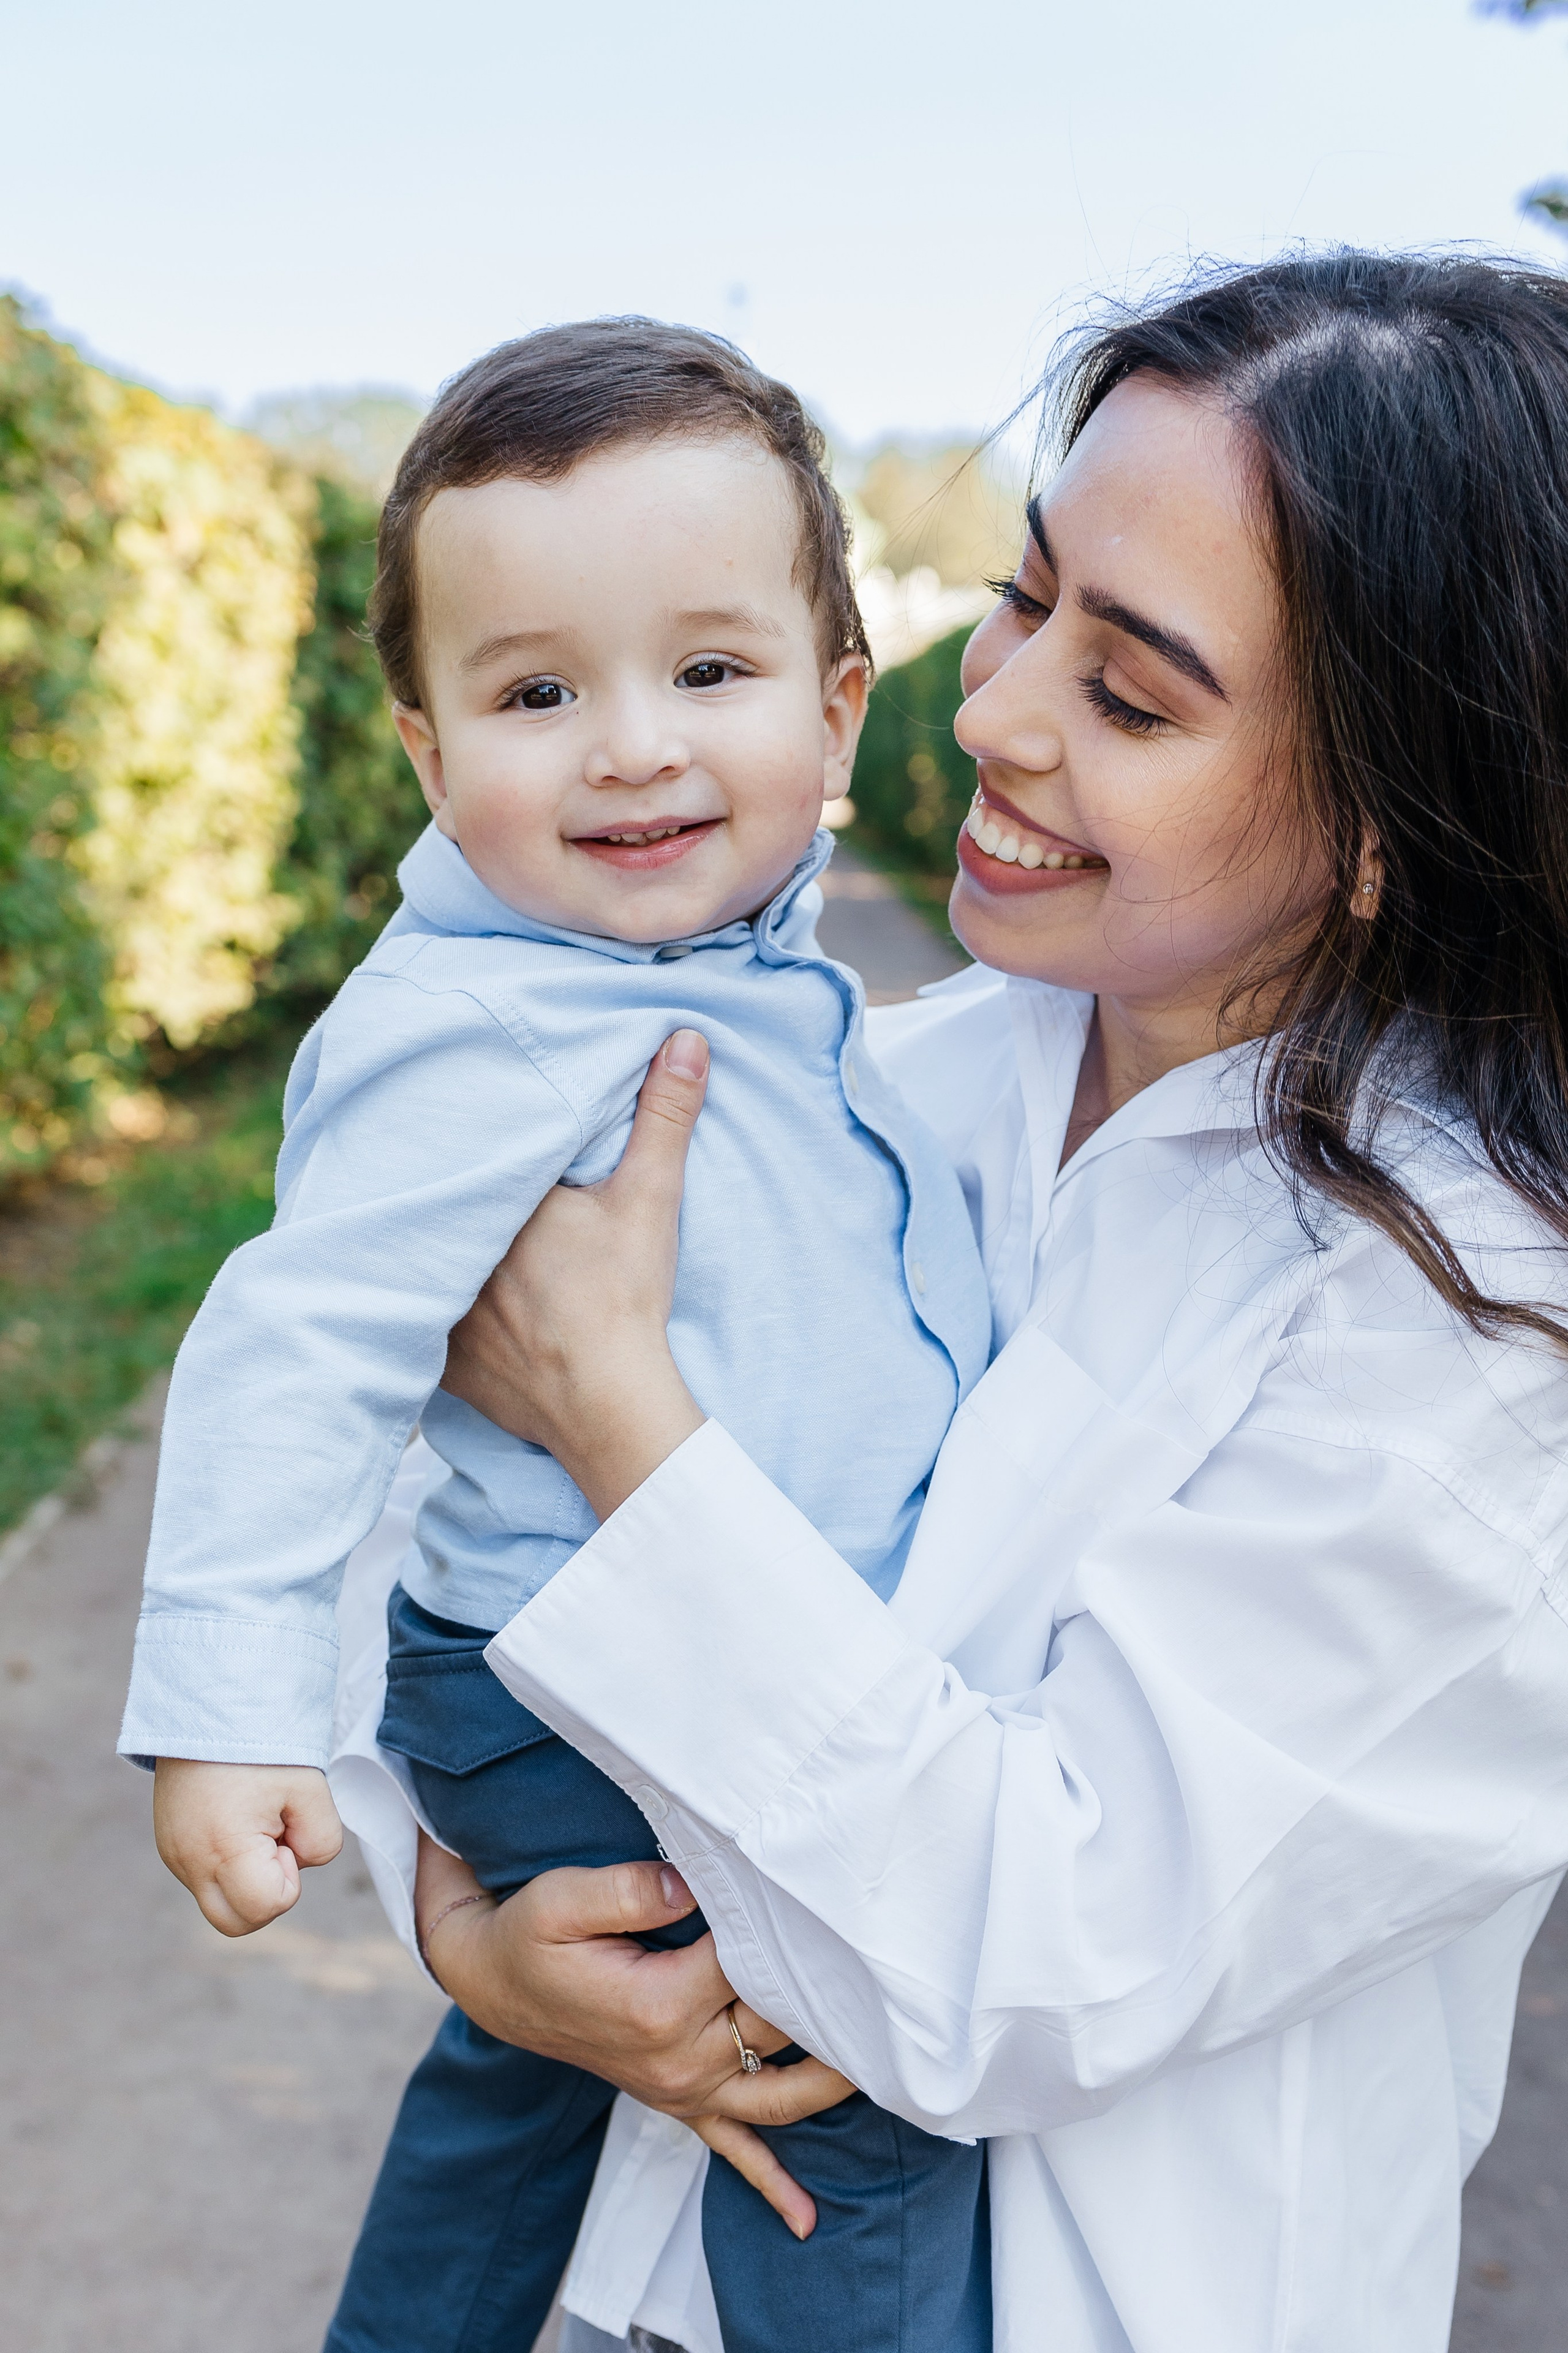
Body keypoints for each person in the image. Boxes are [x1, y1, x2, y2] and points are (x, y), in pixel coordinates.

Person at [386, 252, 1568, 2353]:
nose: (994, 710)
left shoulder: (1483, 1354)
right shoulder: (893, 1076)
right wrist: (477, 1924)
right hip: (625, 2273)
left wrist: (618, 1411)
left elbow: (1024, 1954)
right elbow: (471, 1545)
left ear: (1391, 826)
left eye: (1130, 693)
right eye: (1026, 598)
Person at [116, 323, 997, 2353]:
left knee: (522, 2090)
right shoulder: (485, 1011)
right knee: (842, 2087)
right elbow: (298, 1335)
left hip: (613, 1662)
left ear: (839, 704)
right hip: (602, 1687)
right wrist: (226, 1704)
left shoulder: (744, 973)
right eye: (535, 691)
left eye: (709, 669)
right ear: (426, 751)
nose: (630, 744)